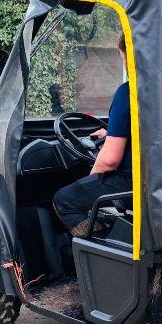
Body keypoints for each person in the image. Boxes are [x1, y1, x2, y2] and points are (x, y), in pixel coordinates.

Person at [53, 33, 132, 237]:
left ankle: (99, 247)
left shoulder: (128, 92)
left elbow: (110, 160)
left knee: (65, 200)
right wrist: (111, 132)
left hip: (133, 184)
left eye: (124, 58)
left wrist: (92, 178)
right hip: (160, 182)